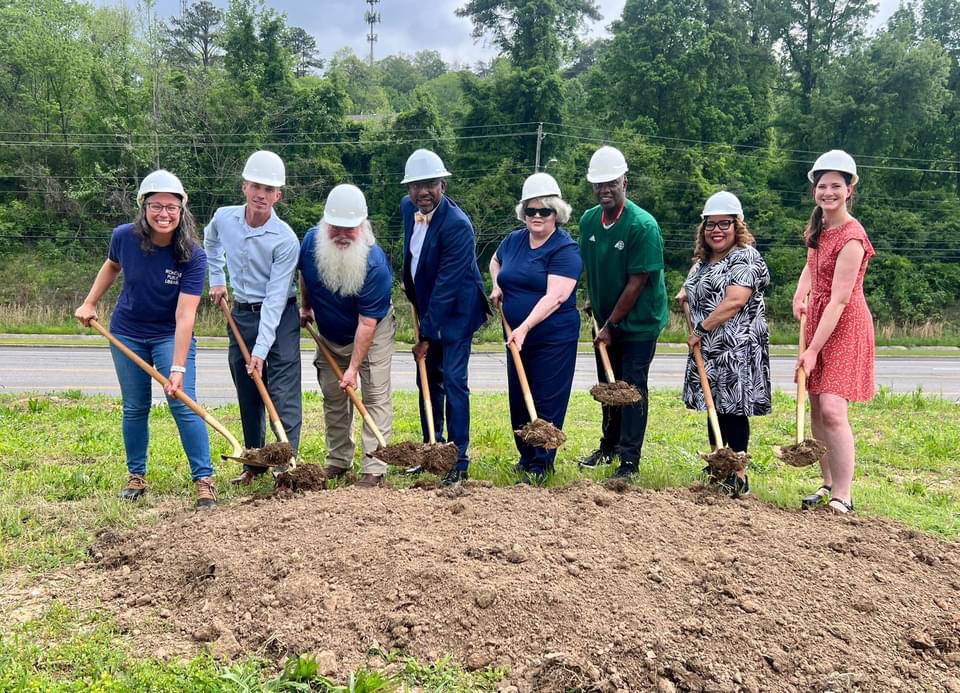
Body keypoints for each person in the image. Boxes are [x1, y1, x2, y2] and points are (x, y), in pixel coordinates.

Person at [74, 170, 216, 508]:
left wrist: (178, 366)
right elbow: (111, 266)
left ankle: (204, 479)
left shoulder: (193, 255)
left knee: (183, 403)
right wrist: (90, 301)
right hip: (127, 332)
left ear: (182, 210)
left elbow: (185, 316)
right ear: (144, 207)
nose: (163, 213)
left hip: (169, 334)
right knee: (135, 407)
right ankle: (136, 477)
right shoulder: (124, 237)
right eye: (156, 206)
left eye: (171, 207)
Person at [204, 150, 302, 485]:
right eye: (256, 185)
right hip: (241, 313)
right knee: (247, 388)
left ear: (278, 195)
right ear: (245, 186)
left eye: (269, 189)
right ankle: (254, 463)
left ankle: (285, 467)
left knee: (282, 390)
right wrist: (216, 280)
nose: (261, 194)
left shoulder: (286, 239)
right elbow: (210, 242)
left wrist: (260, 350)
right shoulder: (223, 217)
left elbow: (275, 298)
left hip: (280, 317)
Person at [400, 148, 490, 485]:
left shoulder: (458, 227)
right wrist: (411, 294)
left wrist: (426, 334)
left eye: (430, 185)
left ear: (443, 185)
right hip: (427, 308)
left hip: (455, 313)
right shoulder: (408, 209)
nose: (423, 192)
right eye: (416, 186)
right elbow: (413, 256)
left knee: (452, 381)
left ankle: (458, 458)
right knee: (427, 380)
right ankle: (431, 450)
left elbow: (447, 285)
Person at [578, 145, 669, 478]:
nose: (604, 190)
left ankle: (629, 460)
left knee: (630, 388)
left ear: (624, 182)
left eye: (611, 183)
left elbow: (636, 283)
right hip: (606, 322)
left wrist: (611, 324)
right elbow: (591, 267)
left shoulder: (642, 226)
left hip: (638, 324)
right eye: (598, 184)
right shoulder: (589, 221)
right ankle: (608, 446)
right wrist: (593, 301)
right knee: (608, 385)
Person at [793, 150, 875, 515]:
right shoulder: (819, 226)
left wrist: (811, 350)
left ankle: (844, 494)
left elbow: (840, 301)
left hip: (843, 325)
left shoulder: (853, 237)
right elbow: (813, 263)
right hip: (818, 319)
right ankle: (826, 484)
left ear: (850, 188)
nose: (828, 192)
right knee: (815, 403)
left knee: (832, 408)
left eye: (835, 186)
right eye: (822, 186)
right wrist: (800, 290)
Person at [299, 184, 396, 488]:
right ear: (325, 225)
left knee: (374, 395)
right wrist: (306, 306)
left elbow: (367, 324)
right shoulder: (311, 244)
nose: (342, 234)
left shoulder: (375, 264)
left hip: (372, 332)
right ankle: (339, 461)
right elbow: (305, 274)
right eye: (335, 227)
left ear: (362, 227)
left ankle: (374, 467)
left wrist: (353, 369)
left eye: (350, 228)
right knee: (332, 395)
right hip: (330, 332)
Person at [677, 191, 772, 496]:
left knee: (732, 410)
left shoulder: (745, 256)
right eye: (710, 225)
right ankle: (719, 465)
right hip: (708, 347)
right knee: (714, 409)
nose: (717, 230)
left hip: (736, 348)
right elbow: (688, 289)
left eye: (724, 224)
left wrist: (700, 328)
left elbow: (735, 301)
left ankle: (739, 474)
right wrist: (685, 296)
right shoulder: (703, 261)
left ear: (736, 226)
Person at [489, 173, 582, 484]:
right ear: (523, 213)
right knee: (519, 397)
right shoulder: (513, 240)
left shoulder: (564, 249)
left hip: (551, 337)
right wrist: (496, 286)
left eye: (545, 211)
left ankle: (542, 465)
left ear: (557, 213)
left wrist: (526, 325)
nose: (538, 217)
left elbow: (556, 296)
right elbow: (495, 261)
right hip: (518, 336)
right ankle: (526, 457)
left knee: (545, 400)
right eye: (531, 211)